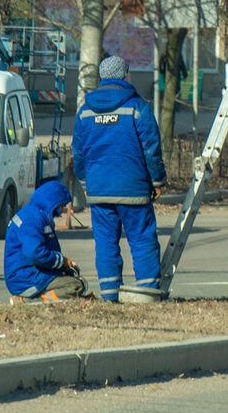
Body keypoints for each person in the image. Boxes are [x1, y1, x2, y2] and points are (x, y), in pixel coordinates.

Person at [72, 55, 167, 302]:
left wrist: (85, 182)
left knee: (105, 244)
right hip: (133, 190)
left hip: (99, 191)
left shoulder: (85, 112)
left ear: (103, 78)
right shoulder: (137, 107)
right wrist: (156, 180)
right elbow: (151, 148)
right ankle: (147, 295)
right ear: (126, 76)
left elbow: (79, 154)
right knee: (142, 241)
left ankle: (110, 296)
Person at [3, 180, 86, 303]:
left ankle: (38, 297)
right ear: (53, 202)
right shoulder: (32, 219)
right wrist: (63, 262)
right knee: (75, 286)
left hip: (31, 273)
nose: (61, 210)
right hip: (25, 279)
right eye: (61, 206)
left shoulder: (37, 214)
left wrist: (65, 266)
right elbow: (35, 253)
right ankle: (28, 302)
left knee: (77, 280)